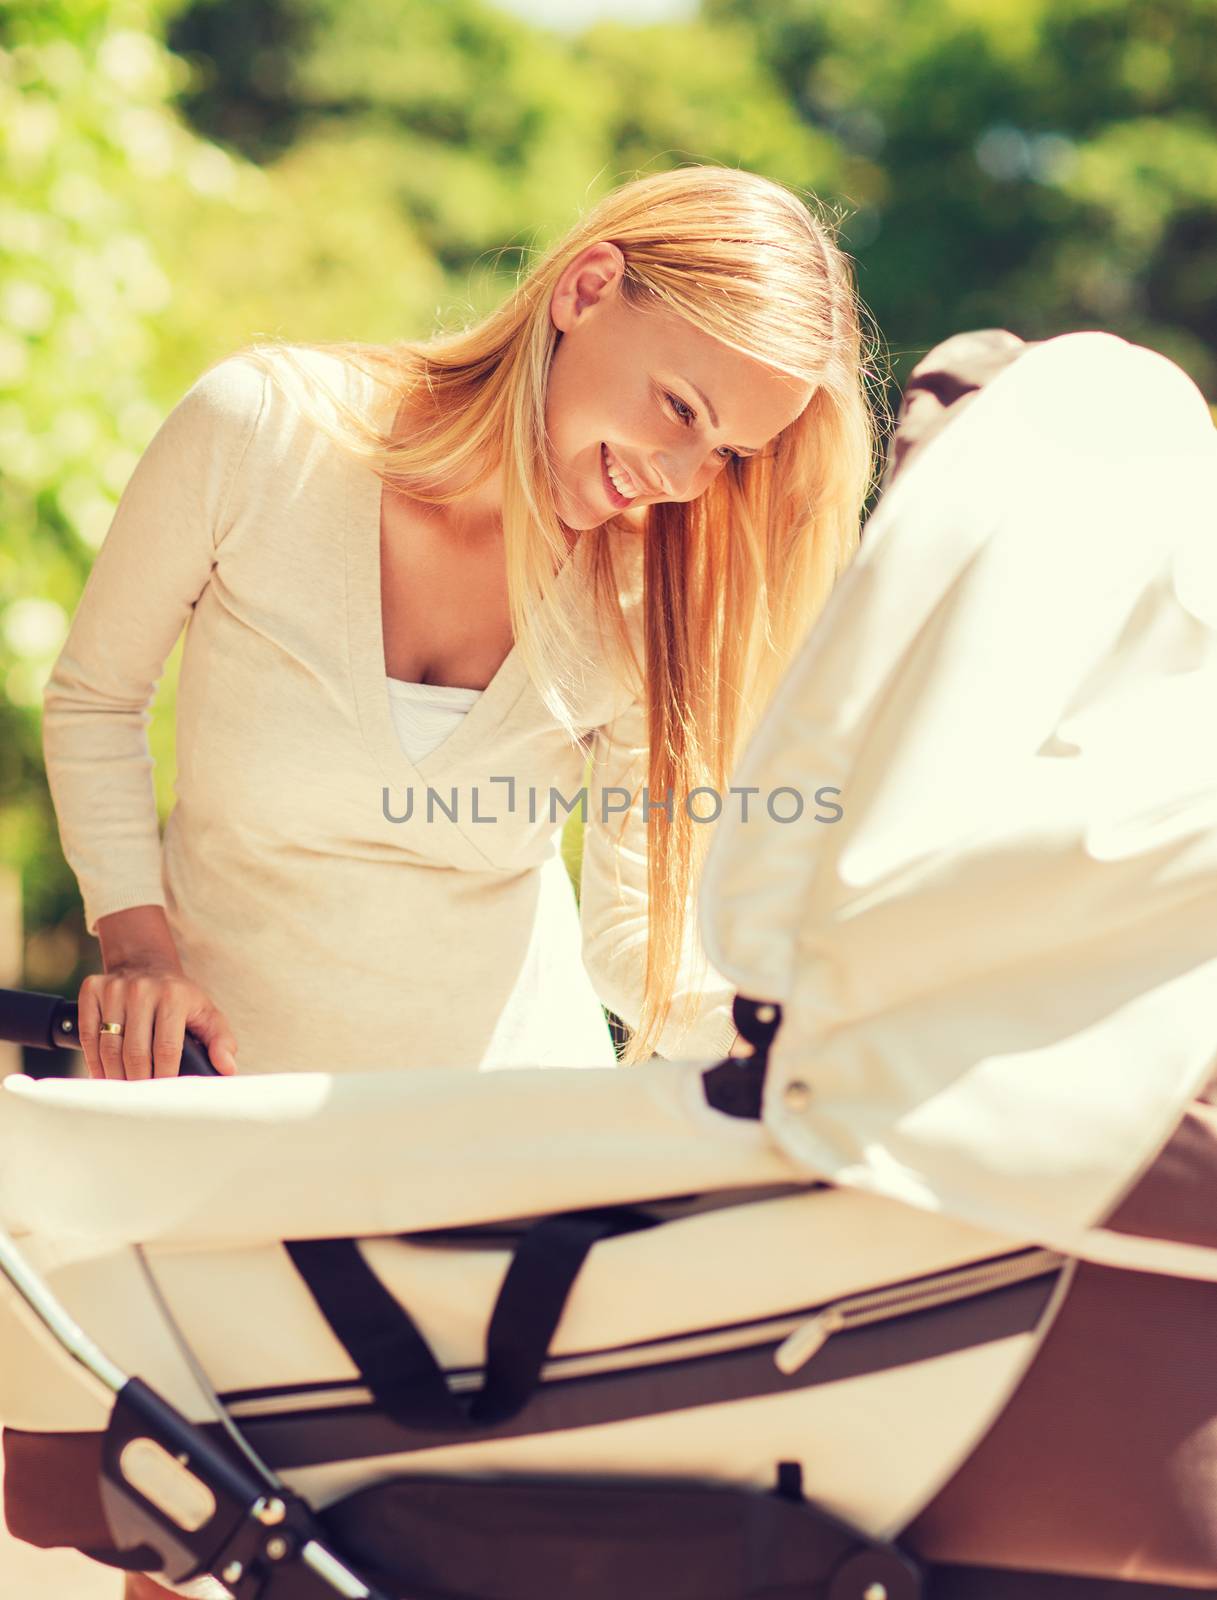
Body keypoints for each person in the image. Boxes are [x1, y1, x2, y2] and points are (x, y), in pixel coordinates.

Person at [38, 162, 876, 1596]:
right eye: (681, 410)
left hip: (497, 1176)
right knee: (184, 1570)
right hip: (229, 1155)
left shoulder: (640, 586)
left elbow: (632, 926)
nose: (680, 480)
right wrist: (137, 939)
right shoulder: (262, 428)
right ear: (585, 288)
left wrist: (779, 1027)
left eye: (726, 454)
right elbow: (95, 699)